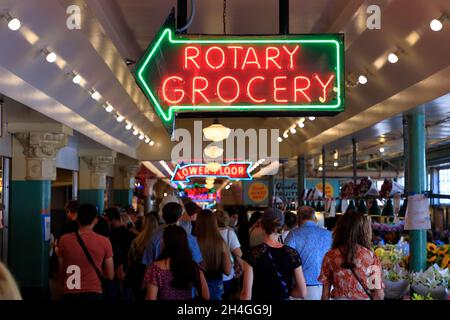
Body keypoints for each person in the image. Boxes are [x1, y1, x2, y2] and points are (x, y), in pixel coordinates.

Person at [241, 208, 307, 300]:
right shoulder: (292, 253)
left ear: (262, 226)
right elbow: (302, 293)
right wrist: (286, 291)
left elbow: (246, 294)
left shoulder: (252, 254)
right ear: (282, 227)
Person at [319, 210, 384, 300]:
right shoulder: (371, 257)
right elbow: (379, 295)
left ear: (340, 230)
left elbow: (325, 296)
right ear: (363, 231)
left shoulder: (330, 256)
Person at [57, 203, 114, 300]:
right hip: (93, 293)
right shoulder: (104, 241)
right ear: (95, 220)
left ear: (77, 219)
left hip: (69, 292)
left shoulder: (64, 240)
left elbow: (61, 271)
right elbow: (110, 275)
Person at [144, 225, 209, 300]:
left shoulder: (156, 268)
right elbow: (206, 296)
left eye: (163, 238)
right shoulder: (192, 266)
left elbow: (151, 298)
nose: (161, 241)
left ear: (167, 242)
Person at [284, 206, 332, 300]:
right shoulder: (329, 234)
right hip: (327, 288)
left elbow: (286, 260)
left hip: (302, 289)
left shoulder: (293, 235)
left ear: (298, 219)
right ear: (315, 218)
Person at [142, 202, 203, 266]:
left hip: (159, 274)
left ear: (163, 216)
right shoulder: (190, 238)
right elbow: (197, 262)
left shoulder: (154, 235)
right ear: (180, 217)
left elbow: (147, 262)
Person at [195, 209, 232, 300]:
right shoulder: (220, 243)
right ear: (214, 223)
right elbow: (228, 271)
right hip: (216, 284)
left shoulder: (193, 242)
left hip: (197, 285)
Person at [104, 207, 135, 299]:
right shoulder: (126, 232)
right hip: (124, 269)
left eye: (107, 220)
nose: (106, 222)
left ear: (112, 220)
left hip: (119, 269)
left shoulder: (117, 234)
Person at [126, 214, 159, 300]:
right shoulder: (159, 241)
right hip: (155, 276)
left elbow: (130, 259)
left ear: (144, 224)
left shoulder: (137, 240)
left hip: (138, 275)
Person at [215, 210, 244, 300]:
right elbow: (238, 254)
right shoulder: (229, 233)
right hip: (226, 272)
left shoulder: (209, 233)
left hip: (210, 272)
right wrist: (241, 268)